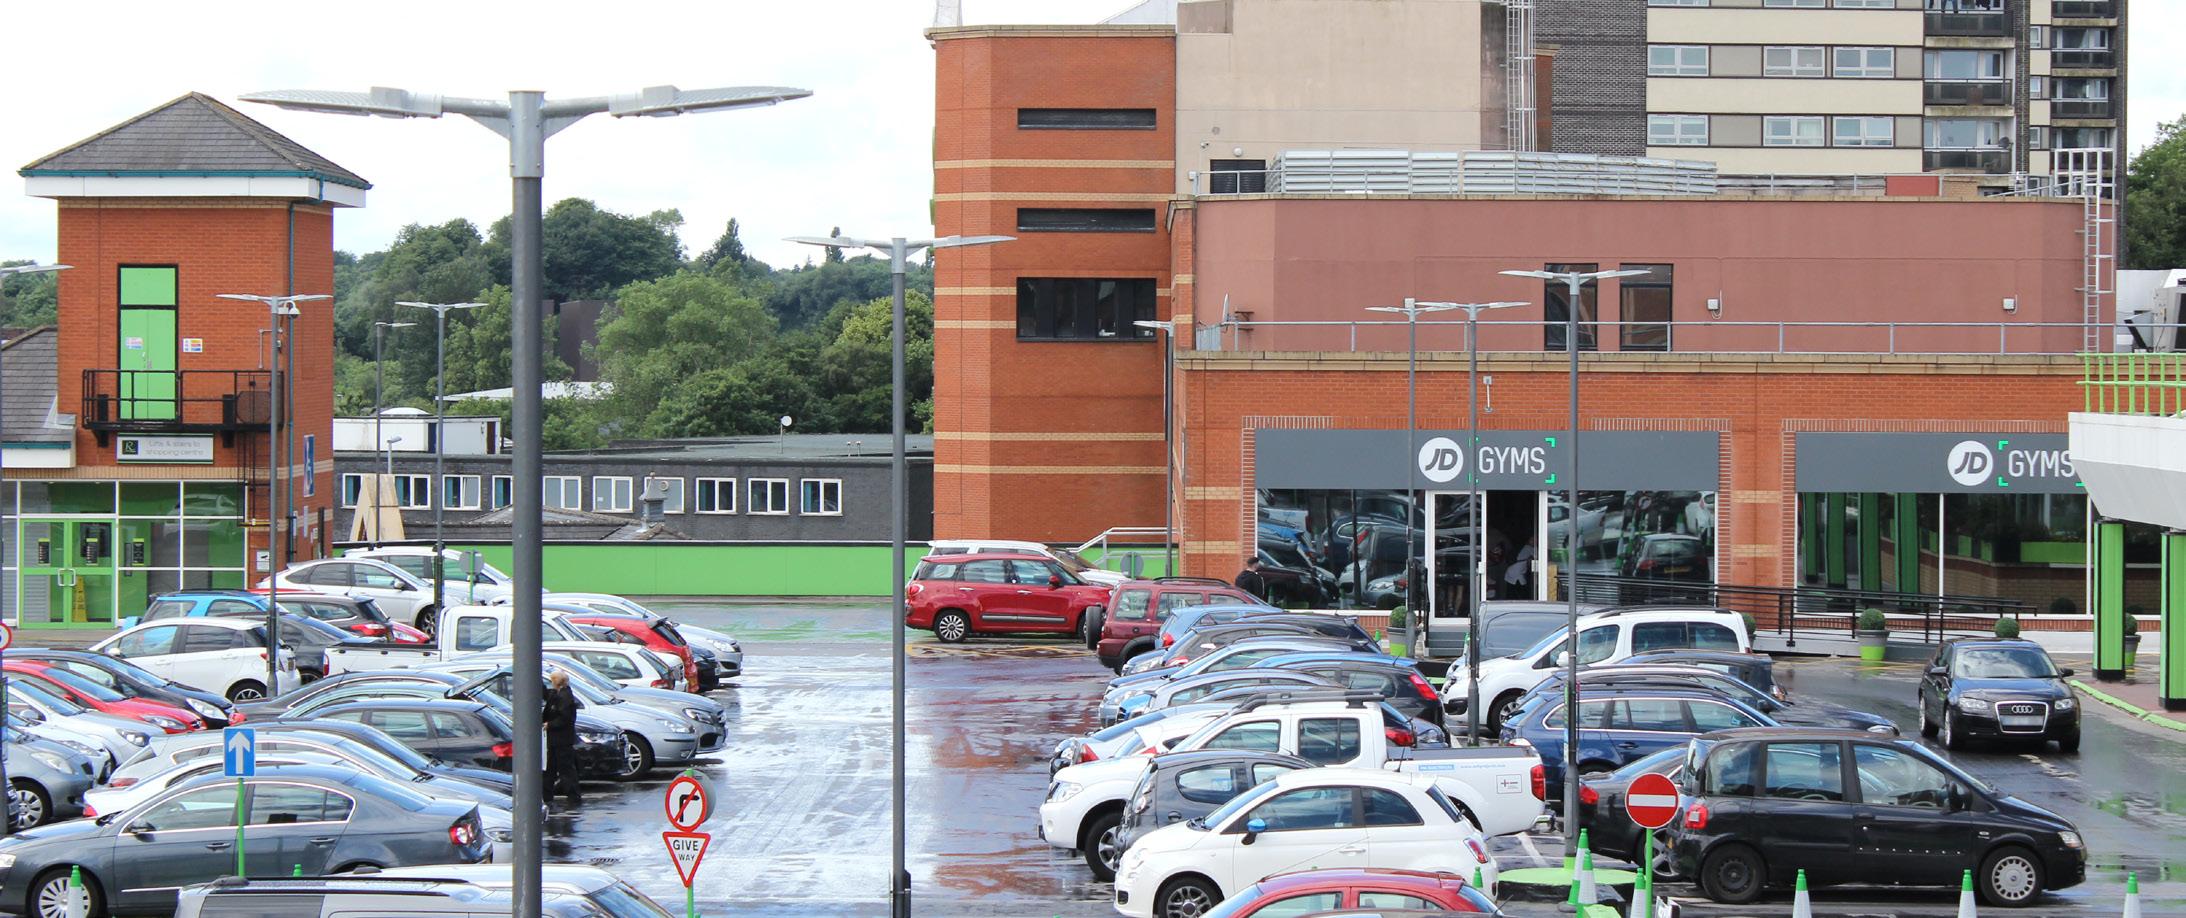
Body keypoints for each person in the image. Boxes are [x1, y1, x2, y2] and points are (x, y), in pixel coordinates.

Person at [544, 670, 582, 806]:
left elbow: (565, 718)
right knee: (551, 768)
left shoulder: (565, 697)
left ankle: (573, 796)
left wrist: (550, 724)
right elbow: (547, 695)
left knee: (565, 769)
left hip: (561, 739)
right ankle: (547, 795)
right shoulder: (558, 694)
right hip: (557, 739)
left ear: (556, 681)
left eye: (552, 680)